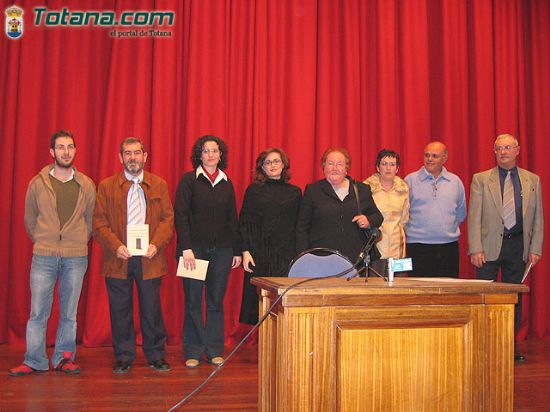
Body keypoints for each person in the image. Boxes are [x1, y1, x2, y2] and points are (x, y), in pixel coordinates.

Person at [9, 130, 96, 377]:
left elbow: (90, 221)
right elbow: (30, 219)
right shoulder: (37, 183)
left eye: (70, 147)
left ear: (75, 151)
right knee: (38, 311)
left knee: (69, 311)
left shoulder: (87, 185)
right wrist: (44, 240)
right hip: (44, 255)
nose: (65, 152)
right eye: (60, 147)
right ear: (52, 152)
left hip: (76, 256)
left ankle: (64, 358)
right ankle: (34, 359)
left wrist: (76, 240)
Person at [93, 137, 173, 374]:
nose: (132, 158)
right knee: (120, 309)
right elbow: (99, 222)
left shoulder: (159, 184)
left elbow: (168, 220)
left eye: (137, 153)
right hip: (118, 257)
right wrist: (115, 245)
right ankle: (124, 356)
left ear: (145, 156)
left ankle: (156, 354)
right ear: (120, 158)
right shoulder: (106, 186)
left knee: (151, 308)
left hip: (150, 258)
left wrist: (156, 244)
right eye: (127, 153)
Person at [468, 133, 543, 362]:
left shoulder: (533, 180)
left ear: (517, 150)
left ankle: (509, 345)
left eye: (508, 148)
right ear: (494, 152)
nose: (503, 152)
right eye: (499, 148)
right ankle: (482, 346)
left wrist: (535, 248)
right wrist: (475, 248)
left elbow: (538, 216)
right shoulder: (481, 179)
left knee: (513, 298)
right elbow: (474, 216)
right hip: (488, 247)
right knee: (484, 298)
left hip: (517, 246)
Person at [174, 135, 242, 368]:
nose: (211, 155)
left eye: (215, 151)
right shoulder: (189, 180)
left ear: (221, 155)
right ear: (199, 155)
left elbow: (233, 219)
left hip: (222, 252)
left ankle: (214, 350)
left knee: (215, 302)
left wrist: (235, 250)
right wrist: (186, 248)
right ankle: (193, 350)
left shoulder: (227, 182)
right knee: (193, 301)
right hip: (194, 252)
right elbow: (181, 215)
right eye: (206, 151)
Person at [239, 148, 302, 325]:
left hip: (285, 255)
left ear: (284, 165)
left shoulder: (295, 192)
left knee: (282, 305)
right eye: (268, 162)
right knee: (260, 304)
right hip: (259, 254)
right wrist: (245, 250)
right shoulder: (254, 190)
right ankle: (264, 347)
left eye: (276, 161)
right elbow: (244, 221)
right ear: (262, 168)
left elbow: (298, 225)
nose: (272, 165)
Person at [296, 148, 383, 272]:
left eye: (339, 164)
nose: (334, 168)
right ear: (324, 167)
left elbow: (378, 217)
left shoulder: (362, 189)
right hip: (321, 260)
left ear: (346, 168)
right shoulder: (313, 190)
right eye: (330, 163)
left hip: (355, 261)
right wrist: (303, 257)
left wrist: (368, 220)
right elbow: (302, 227)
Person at [405, 141, 466, 277]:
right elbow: (403, 214)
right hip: (417, 247)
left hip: (448, 247)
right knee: (419, 293)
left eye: (434, 156)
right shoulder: (410, 181)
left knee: (448, 294)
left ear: (444, 158)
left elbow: (461, 214)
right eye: (427, 155)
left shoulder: (455, 182)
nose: (430, 159)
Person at [364, 149, 409, 277]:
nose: (388, 168)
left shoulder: (404, 188)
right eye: (384, 164)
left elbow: (404, 219)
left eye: (392, 164)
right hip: (376, 247)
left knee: (399, 288)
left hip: (398, 248)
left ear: (397, 168)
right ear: (378, 167)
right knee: (376, 288)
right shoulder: (367, 188)